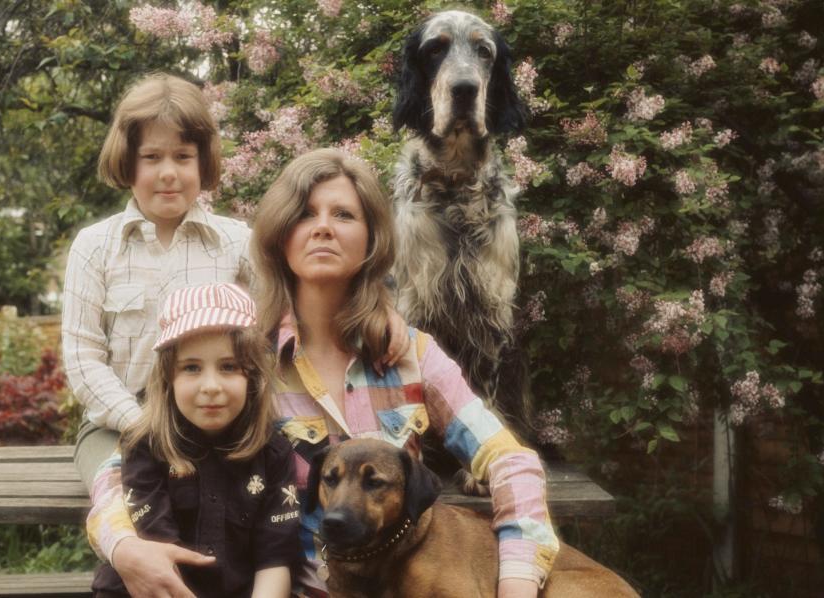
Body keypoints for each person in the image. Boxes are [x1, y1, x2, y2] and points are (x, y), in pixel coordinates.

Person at [65, 73, 408, 597]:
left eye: (182, 156)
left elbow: (296, 309)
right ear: (126, 160)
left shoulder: (235, 242)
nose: (167, 173)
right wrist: (150, 426)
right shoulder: (96, 247)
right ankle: (146, 574)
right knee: (121, 494)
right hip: (120, 424)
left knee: (249, 497)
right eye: (151, 157)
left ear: (204, 161)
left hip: (221, 416)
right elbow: (83, 358)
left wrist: (384, 307)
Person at [250, 148, 559, 598]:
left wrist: (517, 579)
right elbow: (143, 459)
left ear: (372, 239)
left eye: (343, 214)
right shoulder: (249, 363)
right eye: (304, 214)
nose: (322, 227)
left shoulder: (412, 354)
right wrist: (126, 546)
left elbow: (511, 460)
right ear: (280, 235)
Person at [92, 283, 301, 597]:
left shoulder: (274, 454)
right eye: (191, 368)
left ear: (253, 376)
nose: (211, 386)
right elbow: (159, 551)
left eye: (229, 367)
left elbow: (274, 558)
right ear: (168, 378)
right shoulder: (145, 446)